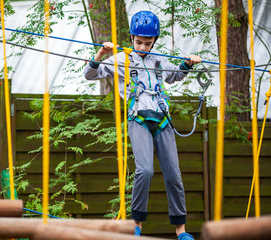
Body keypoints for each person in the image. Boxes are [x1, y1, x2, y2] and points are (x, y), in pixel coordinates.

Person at [83, 11, 201, 240]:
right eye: (138, 42)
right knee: (145, 170)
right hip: (138, 119)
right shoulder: (121, 59)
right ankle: (136, 224)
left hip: (163, 120)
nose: (143, 47)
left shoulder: (159, 59)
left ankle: (181, 231)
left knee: (173, 174)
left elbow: (174, 76)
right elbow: (89, 74)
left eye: (148, 43)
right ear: (131, 38)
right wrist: (102, 53)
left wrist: (187, 64)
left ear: (154, 41)